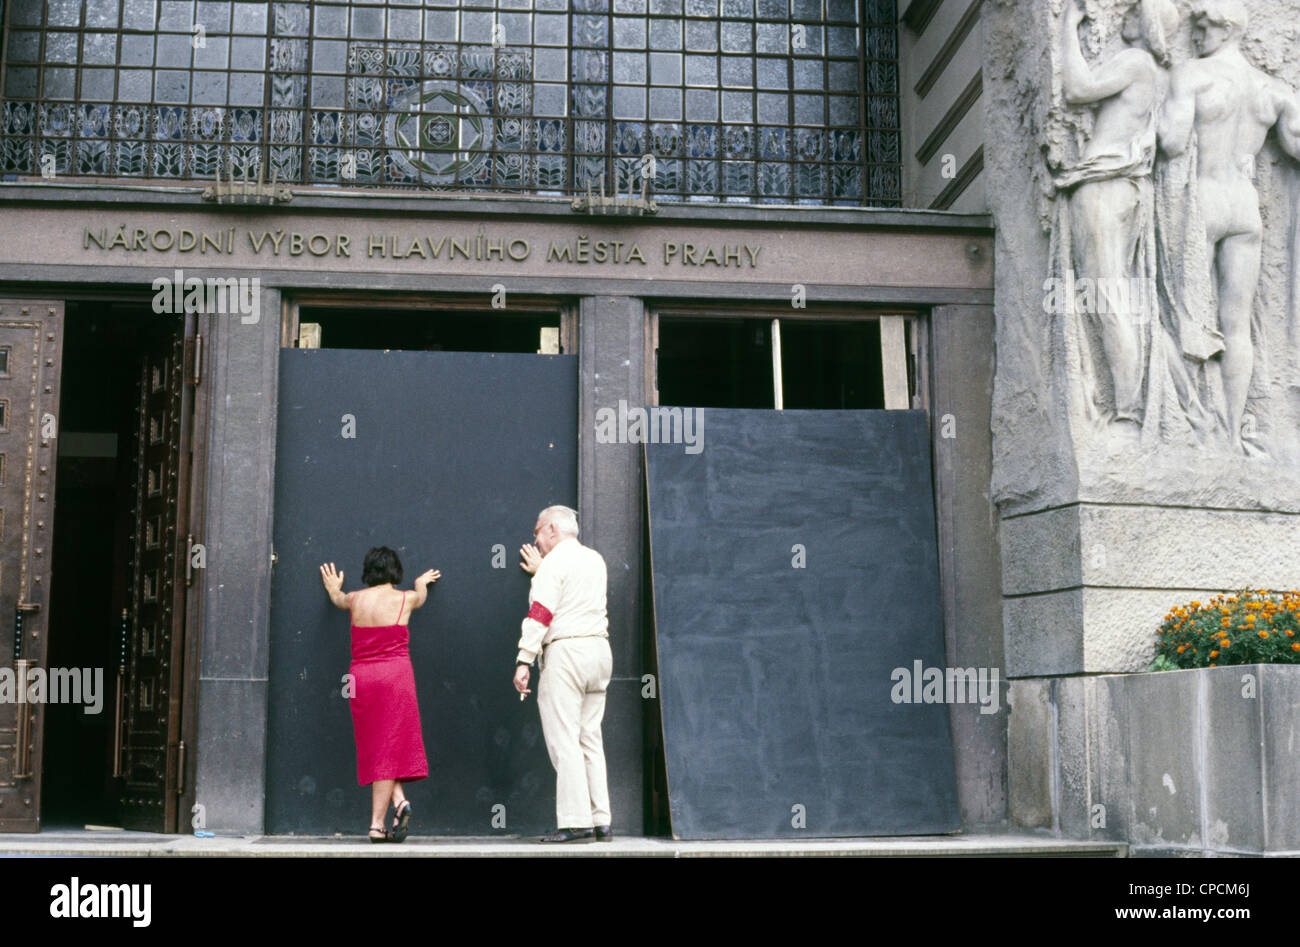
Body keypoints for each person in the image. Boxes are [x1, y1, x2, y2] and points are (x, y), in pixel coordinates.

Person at [1158, 0, 1300, 452]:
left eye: (1202, 26)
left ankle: (1199, 427)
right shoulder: (1273, 91)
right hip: (1245, 206)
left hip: (1203, 202)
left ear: (1225, 28)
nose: (1196, 36)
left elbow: (1172, 141)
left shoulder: (1192, 76)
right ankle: (1232, 433)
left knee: (1186, 312)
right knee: (1235, 325)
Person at [320, 547, 440, 842]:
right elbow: (420, 596)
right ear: (395, 571)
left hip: (361, 679)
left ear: (368, 572)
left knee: (378, 746)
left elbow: (337, 600)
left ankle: (398, 805)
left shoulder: (355, 599)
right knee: (391, 745)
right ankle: (376, 824)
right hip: (396, 677)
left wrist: (334, 587)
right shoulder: (406, 598)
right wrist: (421, 582)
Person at [512, 506, 613, 843]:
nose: (536, 540)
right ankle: (601, 819)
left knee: (564, 738)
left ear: (552, 529)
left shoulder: (553, 563)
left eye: (538, 532)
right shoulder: (595, 559)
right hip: (599, 650)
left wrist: (524, 659)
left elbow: (541, 612)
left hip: (567, 651)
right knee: (589, 738)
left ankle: (574, 821)